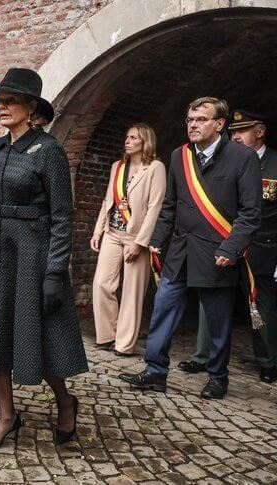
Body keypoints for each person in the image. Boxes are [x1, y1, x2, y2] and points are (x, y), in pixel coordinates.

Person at [0, 68, 88, 448]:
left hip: (33, 254)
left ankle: (65, 403)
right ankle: (7, 416)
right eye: (0, 101)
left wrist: (54, 272)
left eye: (11, 101)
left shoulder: (49, 151)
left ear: (31, 107)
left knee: (39, 337)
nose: (2, 107)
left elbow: (63, 217)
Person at [119, 97, 262, 399]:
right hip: (180, 252)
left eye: (201, 119)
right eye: (189, 119)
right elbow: (170, 205)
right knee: (162, 310)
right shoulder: (178, 156)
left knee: (217, 321)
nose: (193, 125)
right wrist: (158, 239)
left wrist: (231, 248)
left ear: (220, 124)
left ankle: (217, 378)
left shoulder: (242, 158)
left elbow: (250, 213)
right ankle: (155, 371)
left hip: (216, 253)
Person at [177, 110, 277, 383]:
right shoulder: (221, 160)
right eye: (232, 132)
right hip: (219, 245)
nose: (235, 137)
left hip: (260, 249)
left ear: (259, 131)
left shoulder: (275, 164)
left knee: (260, 306)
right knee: (209, 301)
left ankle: (268, 361)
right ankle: (202, 357)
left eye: (242, 131)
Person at [91, 123, 166, 356]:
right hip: (112, 233)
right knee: (101, 283)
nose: (128, 141)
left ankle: (124, 344)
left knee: (132, 293)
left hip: (136, 237)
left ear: (145, 142)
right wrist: (98, 231)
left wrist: (140, 242)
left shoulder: (155, 167)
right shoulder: (118, 166)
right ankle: (107, 335)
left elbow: (155, 207)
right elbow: (107, 201)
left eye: (134, 138)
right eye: (127, 137)